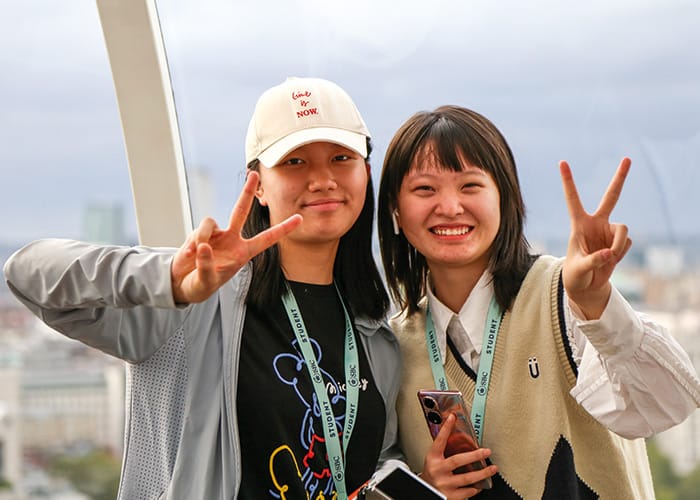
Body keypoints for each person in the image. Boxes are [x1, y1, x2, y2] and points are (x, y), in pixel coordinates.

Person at [4, 77, 403, 500]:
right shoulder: (195, 303)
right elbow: (27, 273)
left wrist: (410, 476)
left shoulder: (374, 332)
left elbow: (372, 461)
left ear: (366, 172)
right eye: (294, 162)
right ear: (259, 185)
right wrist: (167, 281)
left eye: (341, 157)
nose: (323, 179)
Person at [376, 105, 700, 499]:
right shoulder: (392, 345)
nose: (449, 207)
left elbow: (672, 400)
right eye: (425, 189)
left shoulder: (562, 297)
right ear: (394, 208)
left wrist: (596, 302)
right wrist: (425, 489)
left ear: (505, 198)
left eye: (470, 186)